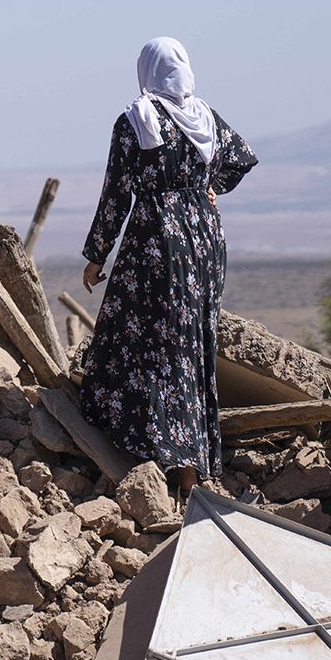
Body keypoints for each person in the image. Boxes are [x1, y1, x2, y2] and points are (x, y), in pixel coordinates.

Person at [78, 37, 258, 494]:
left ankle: (169, 462)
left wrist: (97, 253)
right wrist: (206, 187)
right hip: (205, 240)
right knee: (192, 342)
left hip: (158, 241)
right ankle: (189, 459)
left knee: (148, 339)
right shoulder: (205, 117)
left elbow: (117, 193)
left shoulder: (136, 120)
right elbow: (241, 159)